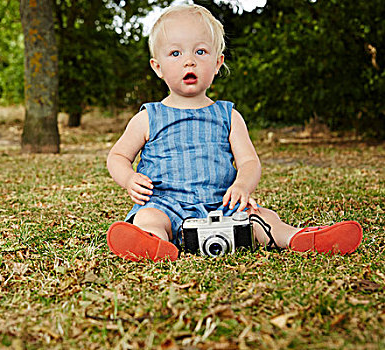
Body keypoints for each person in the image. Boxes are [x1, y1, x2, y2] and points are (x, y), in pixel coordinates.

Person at [106, 4, 362, 262]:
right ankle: (154, 243)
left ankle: (299, 238)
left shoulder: (228, 116)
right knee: (147, 218)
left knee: (262, 218)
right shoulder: (148, 117)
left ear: (217, 63)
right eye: (175, 53)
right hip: (165, 204)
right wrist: (129, 179)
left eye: (200, 51)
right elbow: (117, 156)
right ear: (157, 67)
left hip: (222, 206)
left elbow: (249, 161)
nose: (189, 60)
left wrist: (242, 185)